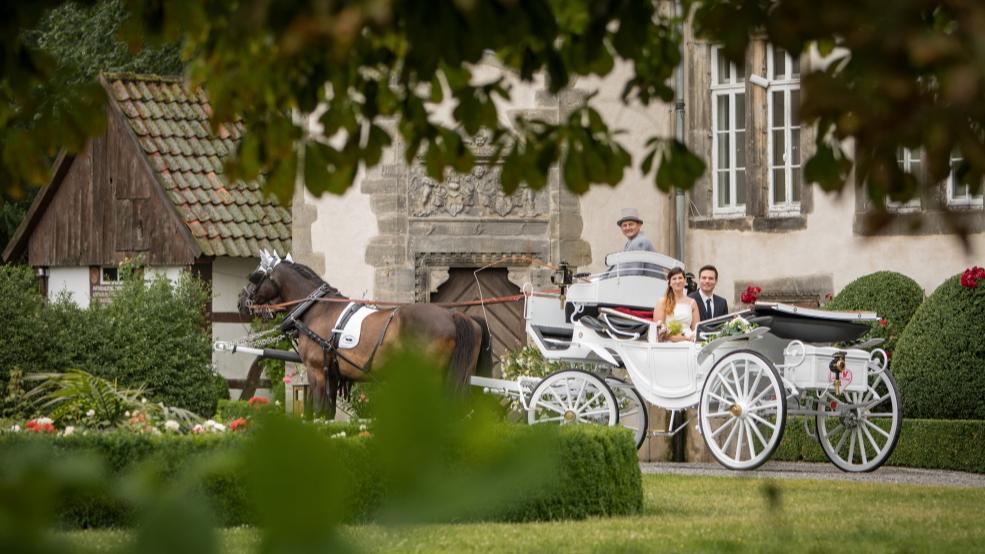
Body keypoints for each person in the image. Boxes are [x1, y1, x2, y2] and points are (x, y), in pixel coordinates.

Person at [654, 267, 700, 342]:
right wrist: (681, 338)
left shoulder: (692, 302)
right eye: (674, 279)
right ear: (669, 283)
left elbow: (696, 329)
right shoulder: (662, 302)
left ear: (685, 281)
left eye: (680, 278)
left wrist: (690, 338)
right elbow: (659, 331)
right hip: (669, 341)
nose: (677, 281)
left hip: (689, 341)